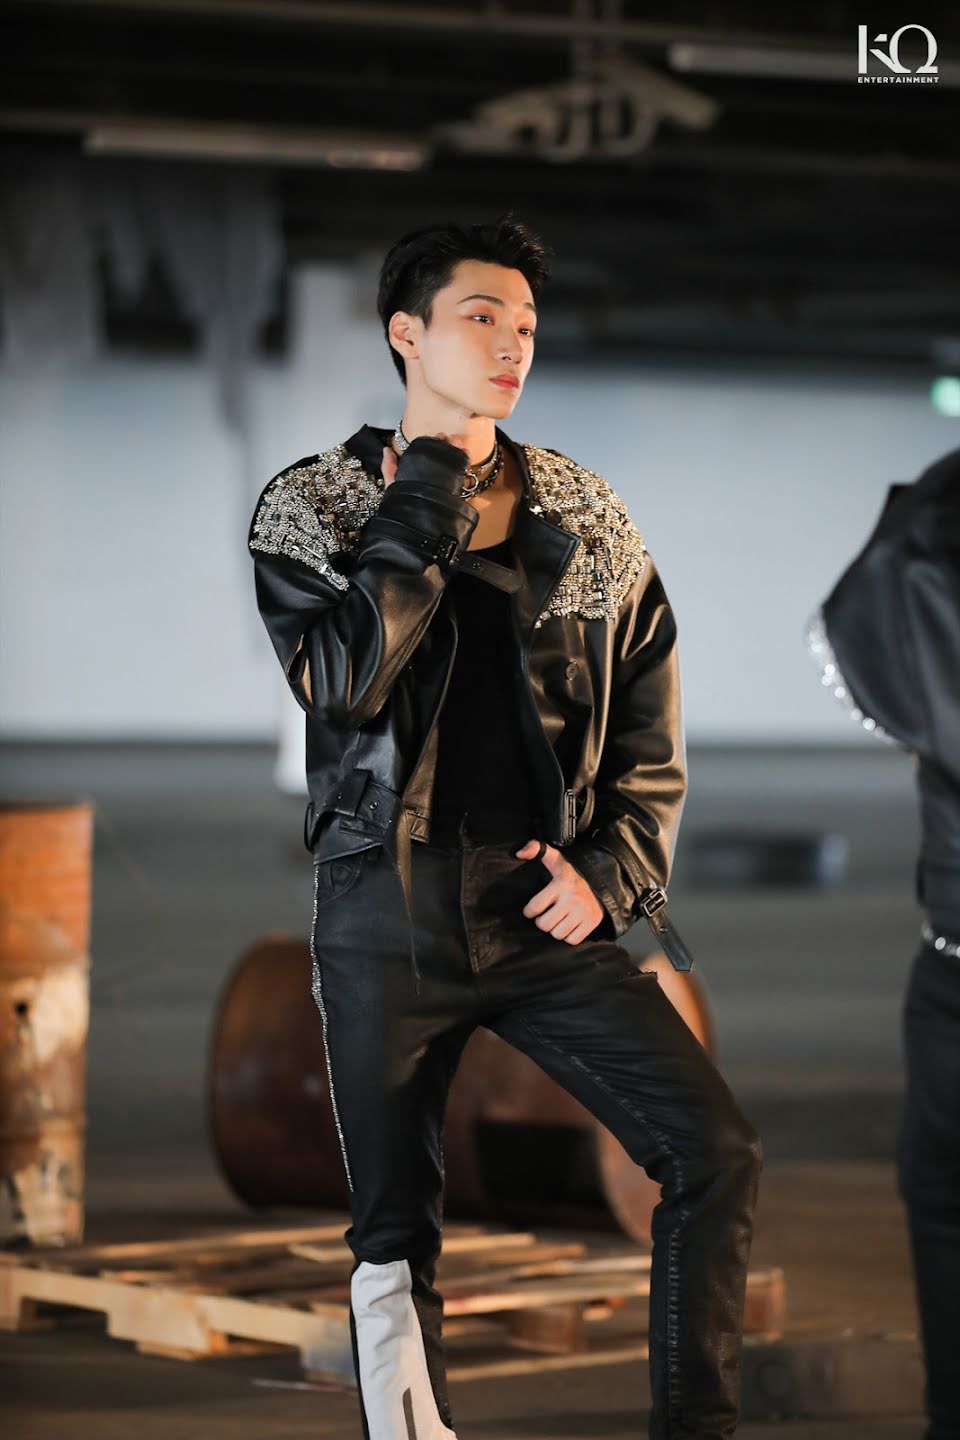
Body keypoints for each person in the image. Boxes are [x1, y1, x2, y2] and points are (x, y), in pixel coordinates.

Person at [249, 215, 762, 1440]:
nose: (511, 345)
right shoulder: (315, 504)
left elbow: (650, 721)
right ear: (406, 333)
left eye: (526, 324)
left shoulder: (586, 511)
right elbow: (341, 683)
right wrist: (428, 490)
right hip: (384, 913)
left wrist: (613, 873)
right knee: (394, 1237)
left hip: (541, 910)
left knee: (715, 1151)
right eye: (481, 317)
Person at [806, 448, 960, 1440]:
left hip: (952, 952)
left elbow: (859, 622)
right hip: (950, 961)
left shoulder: (931, 541)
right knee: (939, 1200)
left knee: (943, 1203)